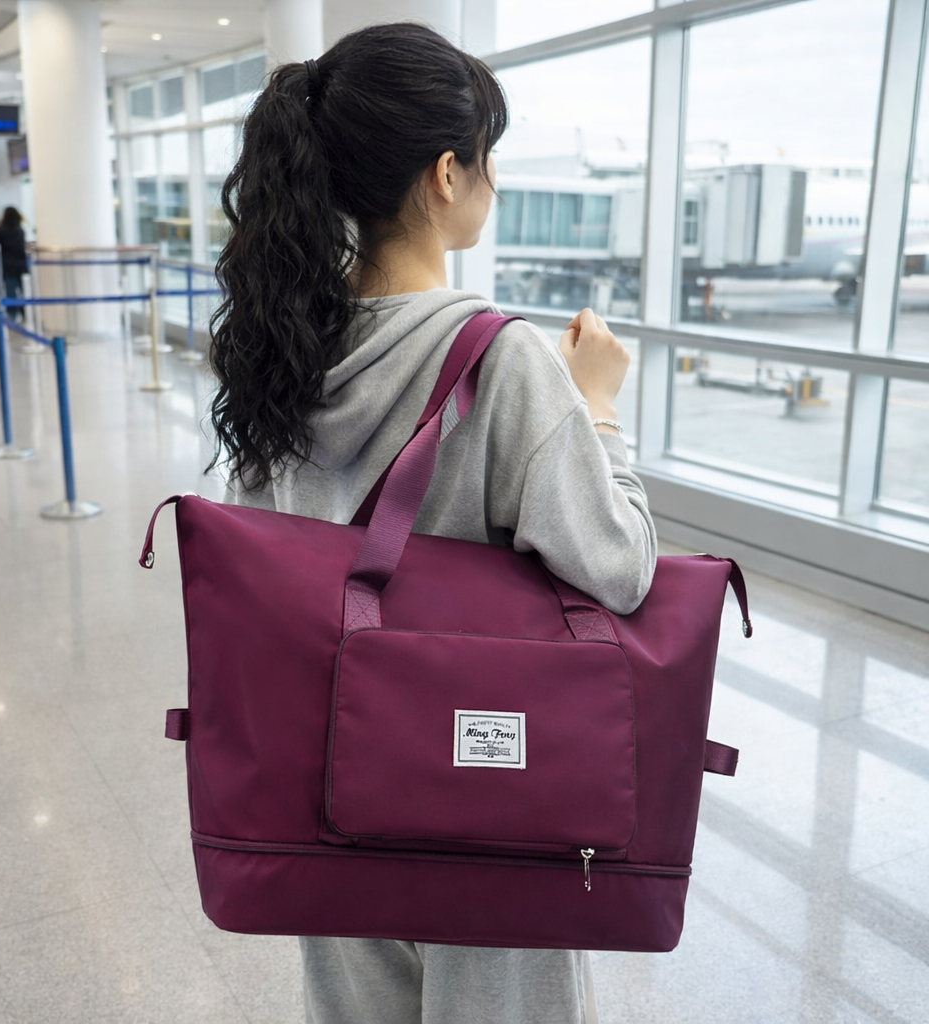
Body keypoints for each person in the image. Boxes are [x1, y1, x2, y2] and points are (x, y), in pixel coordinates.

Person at [208, 23, 656, 1024]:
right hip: (485, 779)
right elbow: (618, 569)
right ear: (446, 174)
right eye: (486, 155)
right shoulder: (502, 358)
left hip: (332, 769)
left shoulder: (280, 347)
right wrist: (598, 409)